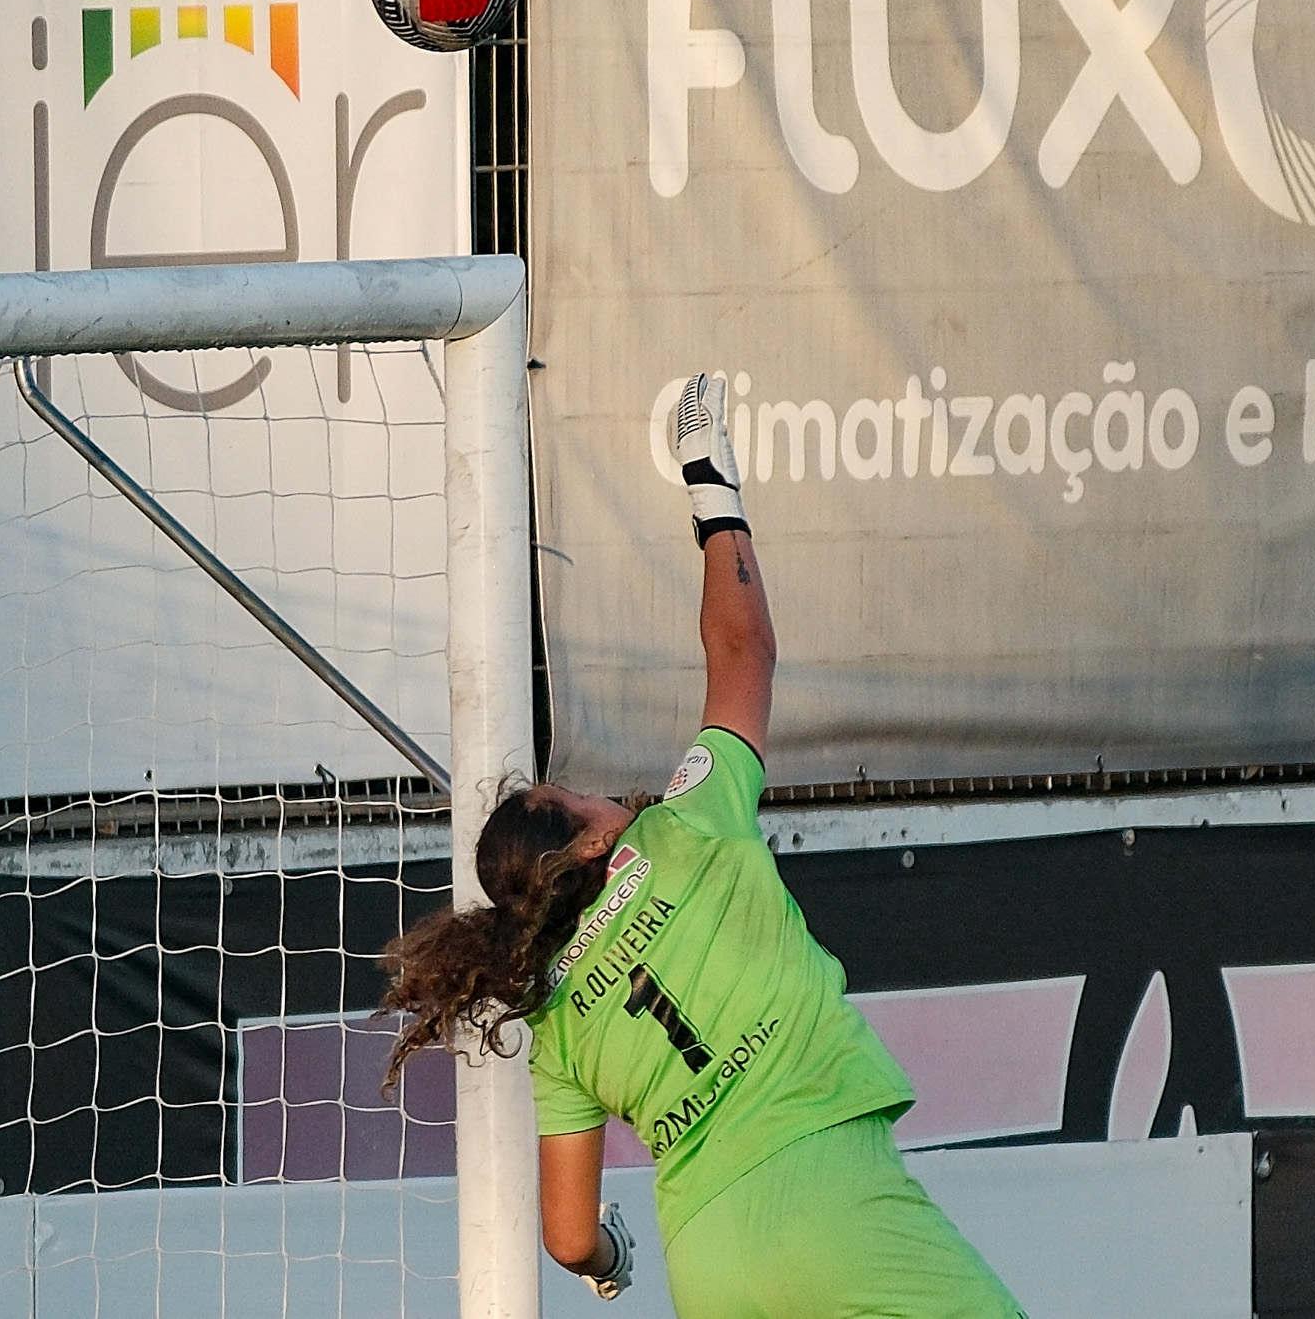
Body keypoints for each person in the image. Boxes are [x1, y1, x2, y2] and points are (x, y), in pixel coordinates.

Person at [380, 374, 1026, 1319]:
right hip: (828, 1195)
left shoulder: (552, 1015)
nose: (603, 792)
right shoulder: (684, 828)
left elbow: (565, 1237)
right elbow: (743, 652)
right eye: (578, 789)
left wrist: (609, 1257)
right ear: (595, 839)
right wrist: (711, 488)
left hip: (710, 1259)